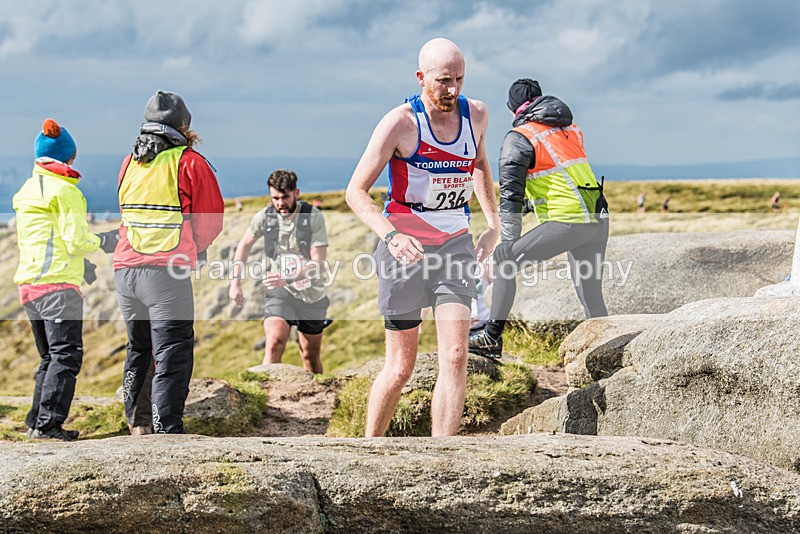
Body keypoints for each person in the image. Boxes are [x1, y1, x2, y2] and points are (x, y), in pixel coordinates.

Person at [345, 38, 500, 437]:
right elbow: (355, 192)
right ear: (421, 78)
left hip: (455, 247)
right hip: (405, 251)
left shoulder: (477, 114)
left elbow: (479, 162)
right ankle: (368, 447)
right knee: (400, 367)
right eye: (443, 80)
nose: (452, 89)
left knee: (455, 353)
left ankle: (442, 455)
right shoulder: (399, 123)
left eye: (459, 79)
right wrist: (391, 236)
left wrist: (493, 225)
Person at [469, 78, 609, 358]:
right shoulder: (569, 129)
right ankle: (607, 351)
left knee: (504, 260)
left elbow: (510, 195)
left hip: (568, 222)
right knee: (591, 297)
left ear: (513, 110)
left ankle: (492, 337)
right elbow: (560, 180)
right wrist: (532, 205)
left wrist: (508, 241)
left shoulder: (519, 137)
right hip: (598, 219)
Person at [113, 90, 224, 434]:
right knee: (173, 353)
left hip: (124, 271)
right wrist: (195, 247)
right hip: (164, 275)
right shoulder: (189, 162)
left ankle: (138, 424)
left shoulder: (130, 162)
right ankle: (167, 432)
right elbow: (210, 221)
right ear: (184, 126)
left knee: (139, 348)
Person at [13, 118, 118, 441]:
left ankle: (36, 421)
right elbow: (74, 239)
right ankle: (47, 425)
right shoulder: (64, 191)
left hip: (30, 285)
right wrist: (103, 242)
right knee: (66, 355)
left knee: (50, 356)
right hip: (58, 286)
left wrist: (80, 262)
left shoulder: (29, 189)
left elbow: (50, 238)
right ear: (69, 156)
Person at [229, 170, 330, 373]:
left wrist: (288, 278)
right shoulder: (265, 217)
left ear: (296, 193)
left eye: (285, 197)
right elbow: (244, 246)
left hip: (311, 294)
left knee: (310, 356)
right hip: (280, 292)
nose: (280, 203)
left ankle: (316, 399)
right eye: (275, 197)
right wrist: (235, 283)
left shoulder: (312, 217)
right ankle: (265, 396)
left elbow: (318, 262)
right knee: (274, 343)